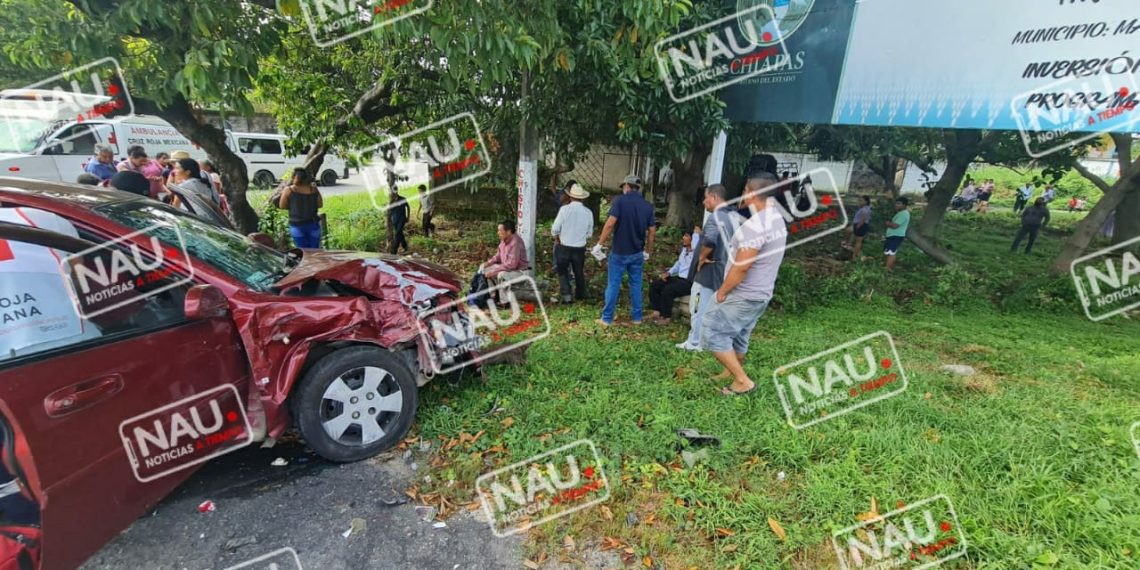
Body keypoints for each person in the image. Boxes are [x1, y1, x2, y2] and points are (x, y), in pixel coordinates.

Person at [702, 171, 786, 396]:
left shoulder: (757, 225)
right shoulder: (776, 219)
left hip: (742, 293)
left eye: (745, 191)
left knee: (711, 332)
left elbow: (742, 266)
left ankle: (741, 381)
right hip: (760, 294)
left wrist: (723, 291)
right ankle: (730, 372)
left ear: (751, 193)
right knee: (740, 334)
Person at [678, 184, 739, 352]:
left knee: (698, 307)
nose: (704, 202)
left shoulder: (716, 217)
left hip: (708, 273)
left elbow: (710, 240)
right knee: (713, 310)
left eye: (705, 198)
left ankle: (695, 342)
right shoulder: (732, 217)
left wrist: (702, 258)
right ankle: (708, 341)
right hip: (723, 271)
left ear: (714, 197)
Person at [592, 174, 656, 327]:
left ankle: (606, 318)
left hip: (619, 252)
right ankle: (637, 318)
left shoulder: (619, 201)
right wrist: (648, 250)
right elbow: (652, 231)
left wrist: (599, 244)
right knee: (636, 285)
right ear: (638, 188)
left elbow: (609, 224)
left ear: (627, 186)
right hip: (637, 253)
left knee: (613, 284)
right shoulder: (648, 206)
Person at [551, 183, 593, 303]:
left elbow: (555, 228)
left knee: (562, 271)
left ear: (570, 196)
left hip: (564, 246)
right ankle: (580, 294)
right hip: (579, 247)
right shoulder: (588, 212)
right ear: (582, 198)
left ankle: (567, 296)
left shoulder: (564, 210)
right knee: (578, 271)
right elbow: (589, 233)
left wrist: (557, 237)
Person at [647, 230, 698, 324]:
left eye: (686, 236)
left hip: (689, 281)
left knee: (668, 290)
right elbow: (678, 264)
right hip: (679, 278)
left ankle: (666, 318)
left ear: (693, 239)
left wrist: (696, 235)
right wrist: (668, 273)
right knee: (656, 285)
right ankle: (657, 311)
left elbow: (697, 242)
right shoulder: (684, 250)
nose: (683, 238)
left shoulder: (696, 253)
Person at [279, 168, 323, 249]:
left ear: (294, 177)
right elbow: (320, 204)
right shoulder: (313, 189)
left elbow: (282, 206)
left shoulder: (289, 190)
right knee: (315, 250)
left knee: (302, 251)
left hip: (297, 225)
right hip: (313, 224)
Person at [483, 219, 530, 286]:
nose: (498, 232)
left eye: (500, 230)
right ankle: (492, 294)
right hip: (508, 270)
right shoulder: (504, 240)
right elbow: (498, 256)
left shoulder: (515, 243)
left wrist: (494, 271)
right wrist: (488, 263)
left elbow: (511, 265)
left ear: (508, 232)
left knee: (501, 275)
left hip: (519, 272)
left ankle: (503, 296)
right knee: (485, 270)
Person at [883, 197, 910, 272]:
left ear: (904, 205)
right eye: (896, 203)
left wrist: (887, 223)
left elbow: (895, 226)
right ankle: (889, 266)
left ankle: (888, 268)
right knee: (890, 251)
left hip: (896, 236)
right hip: (893, 235)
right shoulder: (900, 213)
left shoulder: (903, 214)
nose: (896, 205)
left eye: (899, 204)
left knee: (891, 252)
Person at [387, 189, 411, 254]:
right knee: (400, 234)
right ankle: (405, 246)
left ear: (397, 191)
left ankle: (394, 250)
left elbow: (408, 207)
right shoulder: (391, 201)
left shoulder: (403, 199)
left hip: (402, 219)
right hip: (395, 220)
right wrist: (389, 220)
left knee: (397, 233)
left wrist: (408, 216)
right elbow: (389, 211)